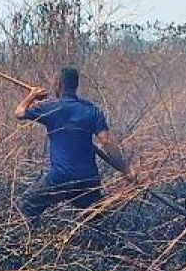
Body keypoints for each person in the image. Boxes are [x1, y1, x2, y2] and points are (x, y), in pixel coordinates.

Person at [14, 66, 135, 224]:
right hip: (88, 179)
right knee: (95, 222)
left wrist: (31, 96)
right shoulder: (91, 110)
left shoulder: (51, 108)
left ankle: (35, 242)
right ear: (76, 86)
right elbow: (106, 143)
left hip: (60, 178)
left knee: (26, 205)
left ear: (58, 84)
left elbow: (19, 112)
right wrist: (125, 169)